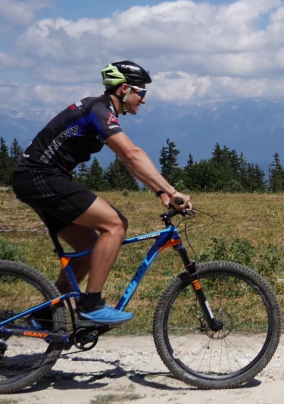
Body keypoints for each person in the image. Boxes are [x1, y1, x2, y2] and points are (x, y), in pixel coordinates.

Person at [12, 61, 191, 324]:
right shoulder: (99, 110)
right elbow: (132, 154)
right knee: (116, 225)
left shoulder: (101, 111)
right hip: (41, 176)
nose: (143, 100)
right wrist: (172, 190)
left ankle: (45, 317)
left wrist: (160, 193)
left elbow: (128, 161)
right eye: (141, 92)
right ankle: (91, 305)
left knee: (88, 250)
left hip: (38, 178)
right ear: (123, 89)